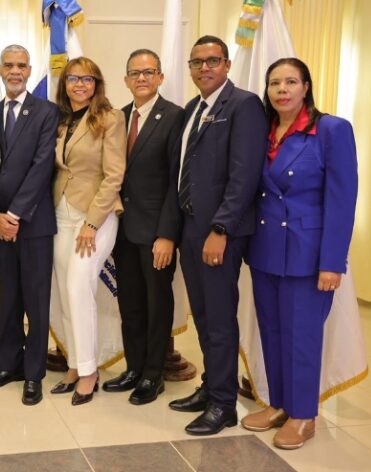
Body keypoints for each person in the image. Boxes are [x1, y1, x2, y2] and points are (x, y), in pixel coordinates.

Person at [241, 58, 358, 450]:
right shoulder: (264, 131)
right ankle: (280, 404)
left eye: (291, 82)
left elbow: (342, 201)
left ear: (306, 87)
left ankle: (304, 415)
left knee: (302, 337)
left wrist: (332, 263)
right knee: (272, 333)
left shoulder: (331, 130)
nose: (282, 90)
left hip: (308, 256)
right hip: (265, 250)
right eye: (275, 83)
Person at [168, 36, 267, 435]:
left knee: (220, 318)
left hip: (219, 233)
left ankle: (224, 404)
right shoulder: (193, 109)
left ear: (226, 64)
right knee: (204, 316)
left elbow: (244, 175)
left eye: (212, 60)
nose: (204, 68)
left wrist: (221, 229)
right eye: (197, 62)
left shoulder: (244, 105)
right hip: (191, 228)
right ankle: (212, 386)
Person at [0, 45, 59, 406]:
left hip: (34, 224)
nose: (15, 71)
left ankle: (33, 373)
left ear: (29, 70)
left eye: (21, 66)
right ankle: (8, 365)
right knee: (9, 296)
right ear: (0, 70)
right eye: (9, 65)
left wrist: (15, 215)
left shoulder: (46, 112)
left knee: (36, 301)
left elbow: (43, 166)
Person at [103, 49, 184, 405]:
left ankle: (154, 374)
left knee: (157, 305)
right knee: (130, 303)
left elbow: (176, 181)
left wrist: (167, 234)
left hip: (156, 234)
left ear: (160, 77)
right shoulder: (118, 118)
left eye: (149, 72)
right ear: (125, 80)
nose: (142, 78)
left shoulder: (176, 117)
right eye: (135, 73)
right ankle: (134, 368)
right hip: (122, 229)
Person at [49, 56, 126, 406]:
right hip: (61, 214)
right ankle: (74, 363)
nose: (79, 85)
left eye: (87, 79)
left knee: (78, 287)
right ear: (64, 84)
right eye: (73, 78)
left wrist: (92, 223)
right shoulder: (62, 120)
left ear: (97, 84)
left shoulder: (110, 118)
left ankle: (89, 372)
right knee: (67, 294)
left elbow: (114, 175)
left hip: (95, 217)